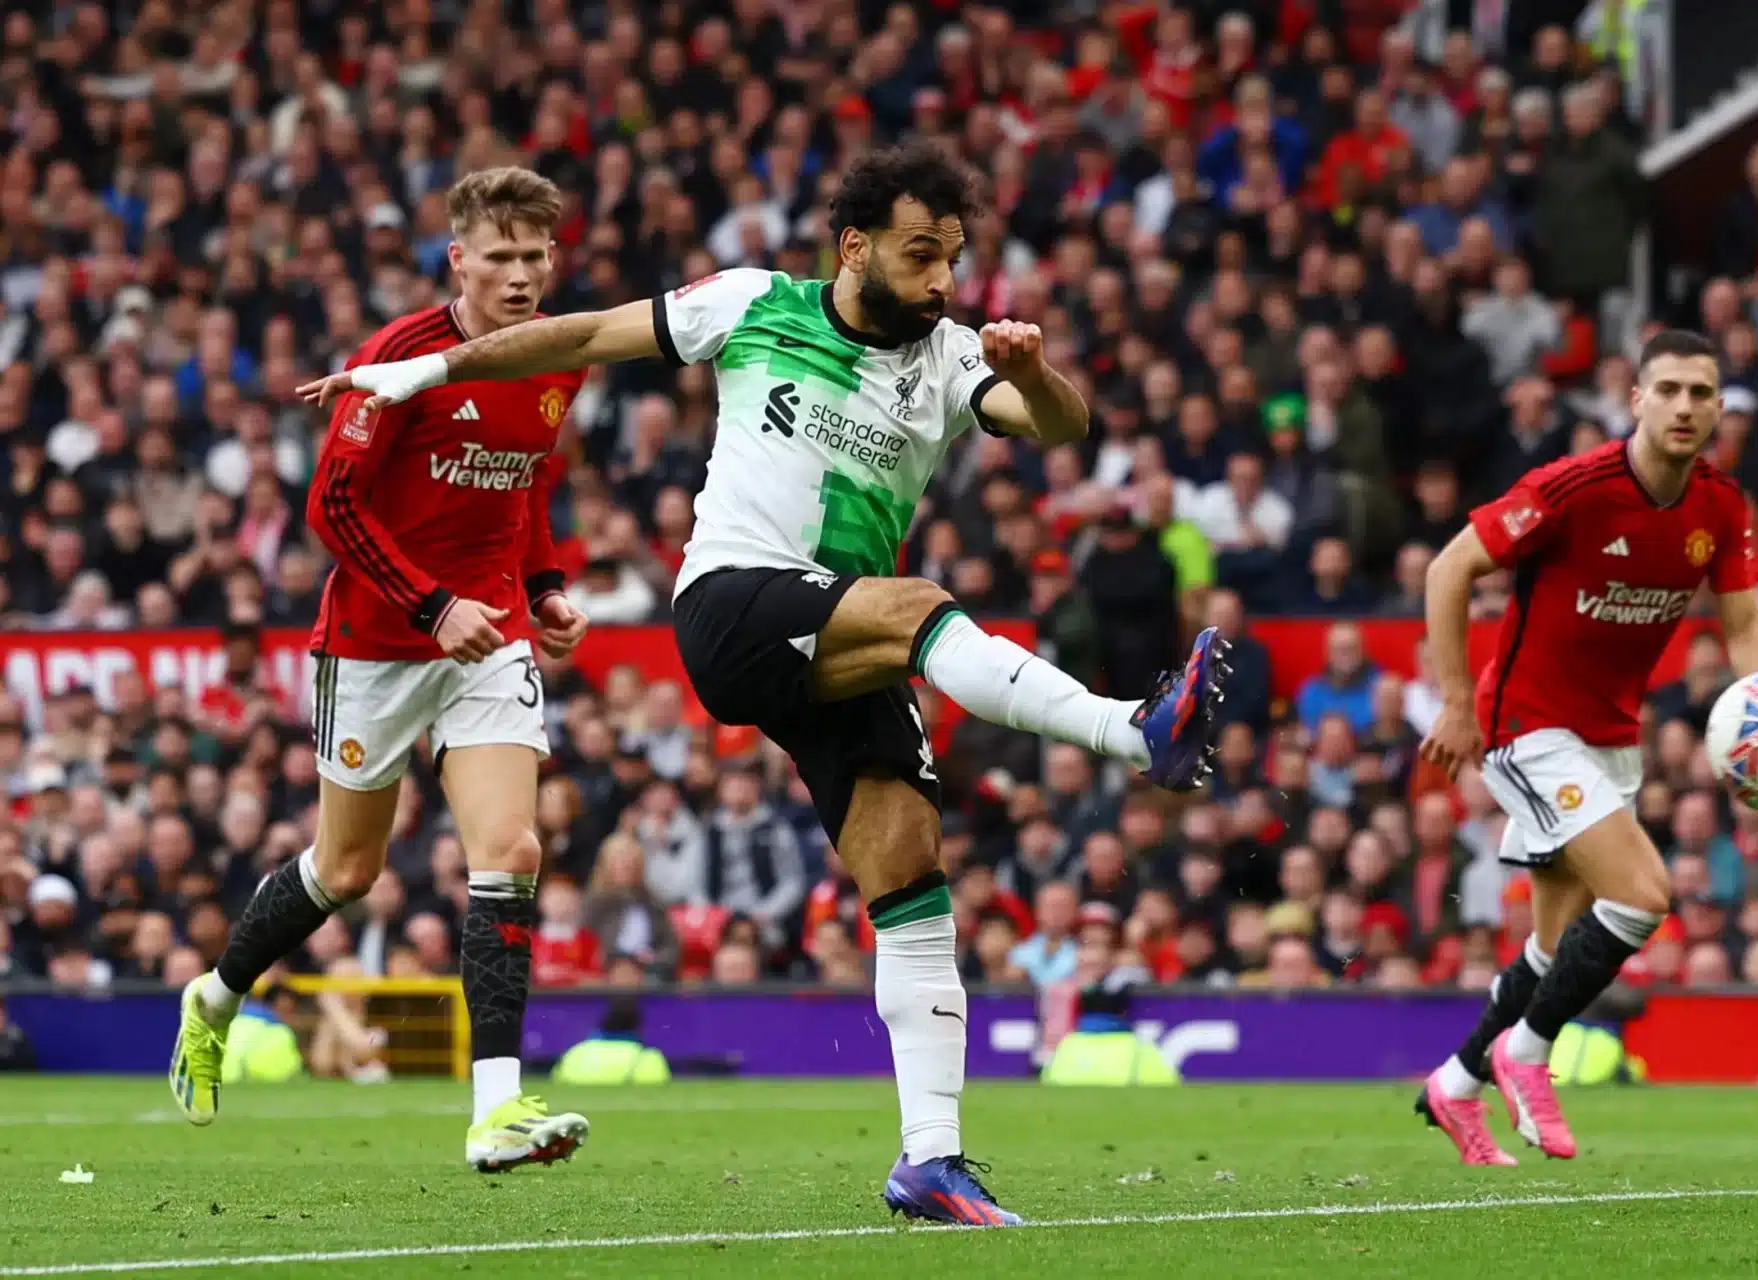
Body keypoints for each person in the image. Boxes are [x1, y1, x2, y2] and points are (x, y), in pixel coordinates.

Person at [300, 142, 1229, 1226]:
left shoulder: (951, 354)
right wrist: (426, 370)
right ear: (855, 245)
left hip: (839, 633)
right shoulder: (751, 304)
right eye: (920, 254)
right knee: (919, 603)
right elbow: (586, 332)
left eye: (954, 257)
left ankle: (930, 1157)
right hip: (736, 604)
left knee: (908, 865)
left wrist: (1028, 371)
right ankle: (1132, 730)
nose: (941, 279)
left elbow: (1062, 425)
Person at [170, 168, 596, 1174]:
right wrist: (427, 604)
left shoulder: (560, 359)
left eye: (537, 256)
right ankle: (215, 995)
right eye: (501, 256)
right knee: (347, 869)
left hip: (488, 636)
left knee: (513, 847)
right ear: (458, 259)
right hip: (376, 643)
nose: (523, 275)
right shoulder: (398, 358)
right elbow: (332, 507)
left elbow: (523, 486)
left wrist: (540, 587)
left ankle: (495, 1111)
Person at [1415, 329, 1758, 1165]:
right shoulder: (1572, 487)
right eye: (1671, 389)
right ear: (1637, 399)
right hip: (1526, 725)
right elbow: (1448, 570)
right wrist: (1458, 703)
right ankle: (1528, 1053)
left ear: (1719, 409)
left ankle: (1457, 1085)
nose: (1686, 406)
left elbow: (1746, 624)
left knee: (1554, 946)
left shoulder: (1719, 504)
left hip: (1611, 734)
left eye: (1702, 393)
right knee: (1645, 895)